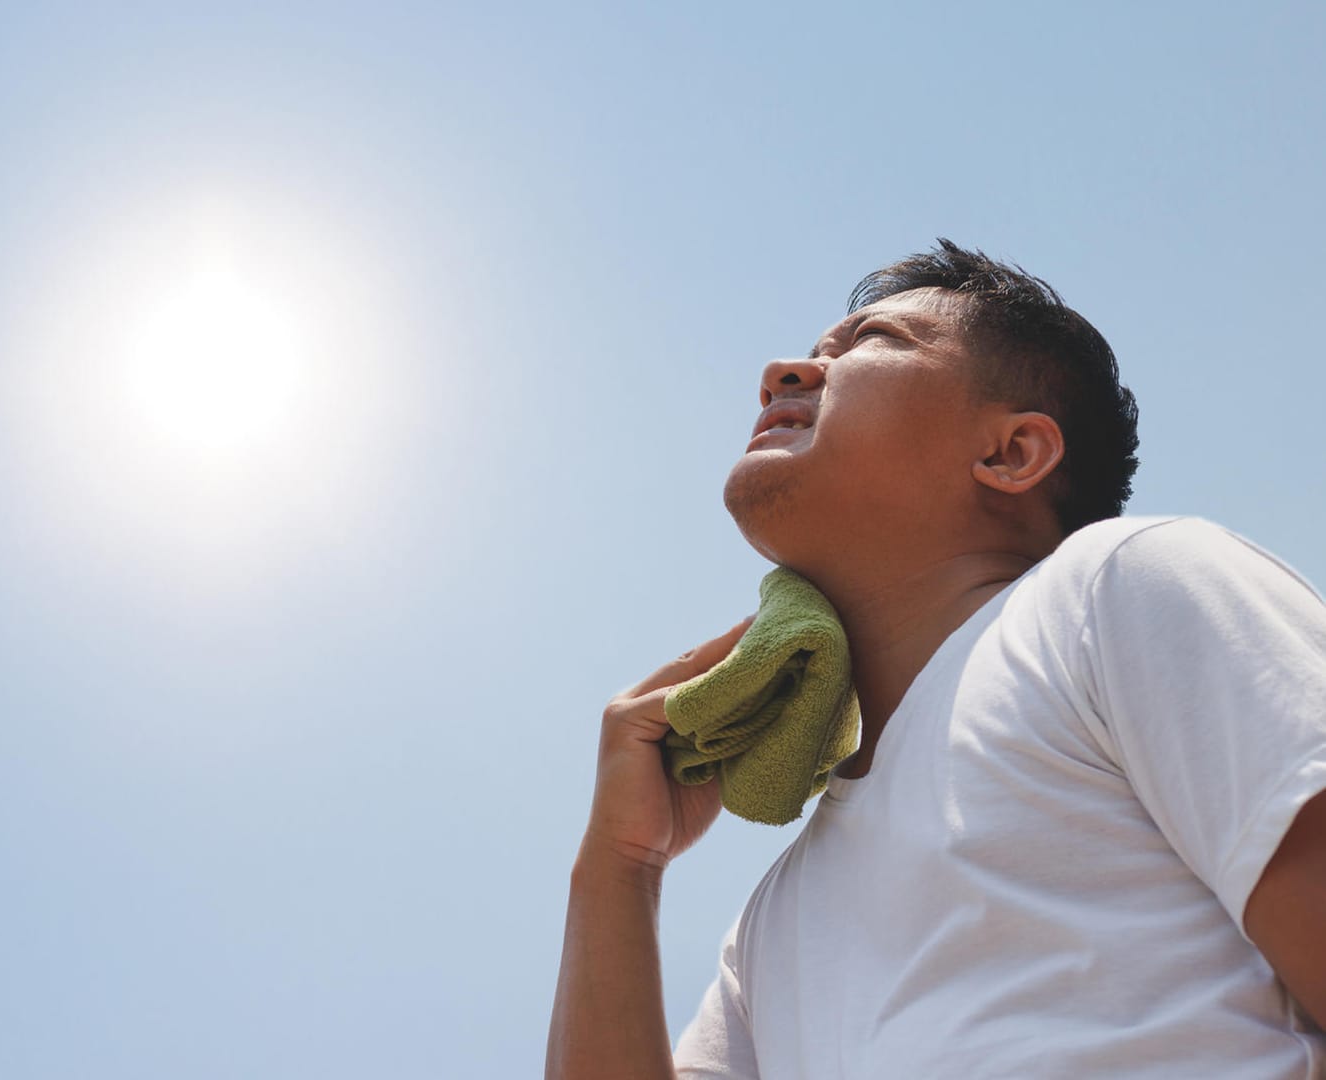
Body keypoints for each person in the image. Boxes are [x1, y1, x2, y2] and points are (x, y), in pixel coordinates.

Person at [545, 240, 1326, 1079]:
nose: (785, 371)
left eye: (871, 341)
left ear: (1010, 454)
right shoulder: (770, 930)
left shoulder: (1121, 586)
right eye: (809, 353)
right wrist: (621, 865)